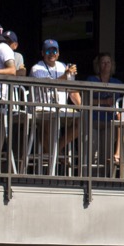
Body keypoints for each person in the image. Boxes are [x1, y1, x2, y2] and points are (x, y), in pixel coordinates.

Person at [29, 40, 80, 173]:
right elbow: (50, 85)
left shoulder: (63, 66)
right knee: (47, 124)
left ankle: (56, 150)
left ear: (58, 53)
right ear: (42, 53)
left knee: (81, 122)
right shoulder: (37, 68)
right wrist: (66, 75)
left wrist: (83, 108)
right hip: (42, 108)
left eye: (54, 51)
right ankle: (52, 160)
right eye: (48, 51)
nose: (51, 54)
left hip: (62, 109)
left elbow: (72, 90)